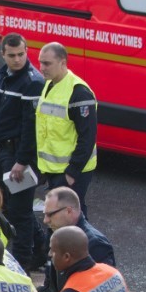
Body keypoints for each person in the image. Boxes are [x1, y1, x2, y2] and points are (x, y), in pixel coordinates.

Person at [0, 33, 43, 269]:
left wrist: (22, 161)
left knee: (20, 212)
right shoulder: (2, 76)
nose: (17, 59)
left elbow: (31, 126)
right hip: (3, 153)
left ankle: (23, 264)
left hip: (19, 156)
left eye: (21, 54)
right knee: (11, 208)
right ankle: (40, 251)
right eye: (12, 55)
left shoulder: (33, 82)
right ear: (3, 55)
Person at [36, 42, 97, 215]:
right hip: (53, 168)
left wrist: (72, 172)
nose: (41, 68)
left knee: (70, 219)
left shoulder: (79, 92)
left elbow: (88, 136)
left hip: (71, 171)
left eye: (47, 63)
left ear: (62, 63)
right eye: (40, 62)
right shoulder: (50, 84)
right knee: (58, 218)